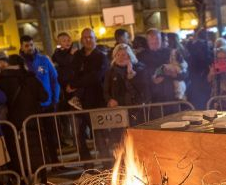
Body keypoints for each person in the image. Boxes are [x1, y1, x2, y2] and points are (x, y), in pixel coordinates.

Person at [0, 54, 49, 185]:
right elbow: (44, 97)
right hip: (34, 120)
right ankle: (42, 179)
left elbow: (1, 100)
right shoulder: (31, 78)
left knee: (19, 151)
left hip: (14, 123)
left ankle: (24, 181)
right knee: (37, 149)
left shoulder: (3, 80)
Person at [67, 28, 109, 162]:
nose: (88, 40)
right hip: (78, 102)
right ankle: (87, 165)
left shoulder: (101, 57)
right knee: (79, 135)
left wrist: (76, 84)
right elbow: (71, 73)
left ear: (95, 39)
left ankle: (106, 164)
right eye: (85, 38)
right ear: (81, 40)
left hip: (96, 101)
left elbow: (95, 77)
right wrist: (75, 83)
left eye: (90, 37)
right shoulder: (77, 56)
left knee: (99, 135)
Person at [20, 35, 60, 165]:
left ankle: (55, 161)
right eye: (26, 45)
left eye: (31, 45)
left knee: (50, 135)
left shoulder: (44, 60)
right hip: (30, 107)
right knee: (36, 138)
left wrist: (55, 99)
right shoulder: (20, 63)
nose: (30, 48)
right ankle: (41, 164)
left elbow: (54, 79)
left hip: (47, 104)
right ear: (21, 47)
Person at [103, 43, 150, 128]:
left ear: (129, 55)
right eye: (118, 55)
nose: (121, 57)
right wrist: (109, 100)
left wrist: (132, 77)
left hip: (136, 109)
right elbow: (106, 91)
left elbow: (144, 89)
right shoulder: (110, 72)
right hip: (118, 110)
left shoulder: (139, 69)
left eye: (124, 55)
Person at [139, 28, 188, 107]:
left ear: (161, 39)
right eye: (151, 39)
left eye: (157, 38)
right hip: (153, 99)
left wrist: (175, 75)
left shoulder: (172, 53)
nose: (154, 41)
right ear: (147, 41)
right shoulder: (141, 56)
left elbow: (185, 72)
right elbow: (140, 75)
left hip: (172, 97)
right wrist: (152, 79)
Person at [183, 29, 209, 109]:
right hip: (202, 75)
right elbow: (206, 60)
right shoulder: (204, 45)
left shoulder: (191, 46)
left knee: (196, 100)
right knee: (202, 101)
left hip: (193, 76)